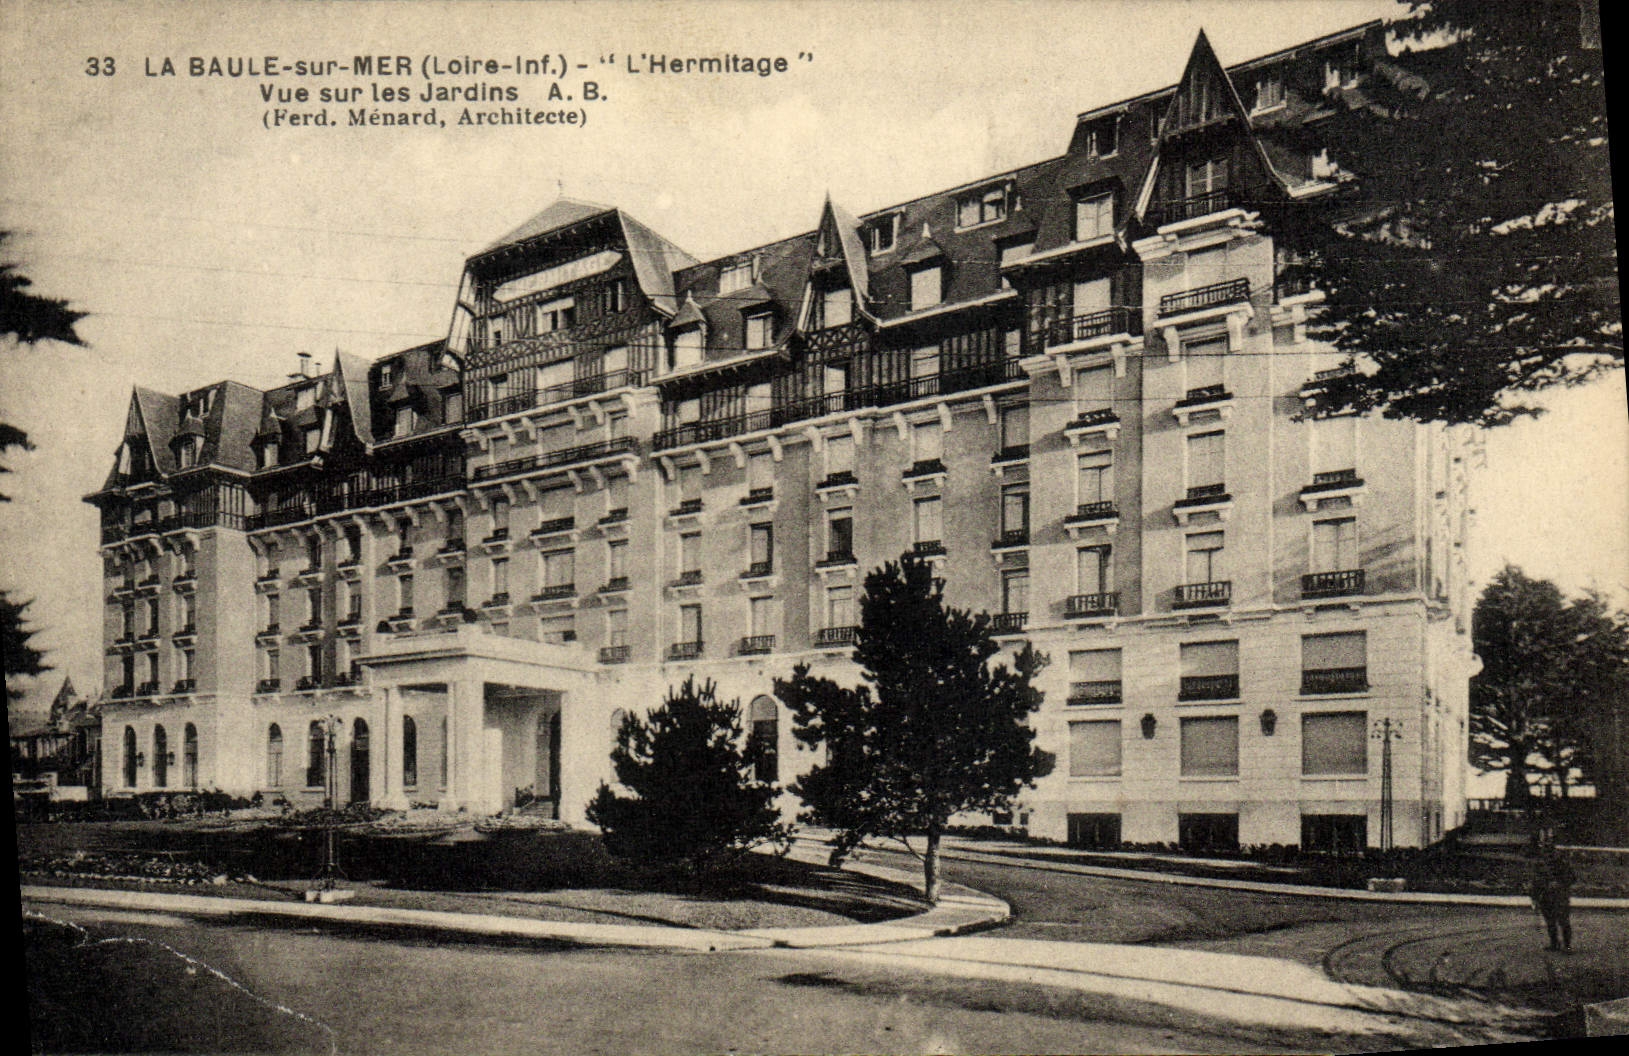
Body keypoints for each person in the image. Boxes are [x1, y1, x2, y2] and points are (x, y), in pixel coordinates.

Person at [1529, 840, 1576, 953]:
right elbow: (1535, 882)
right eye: (1545, 851)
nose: (1547, 854)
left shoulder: (1563, 864)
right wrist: (1534, 897)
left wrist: (1559, 883)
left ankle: (1567, 946)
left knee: (1563, 921)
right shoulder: (1540, 865)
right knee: (1550, 922)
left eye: (1549, 851)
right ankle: (1554, 944)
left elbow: (1572, 878)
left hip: (1560, 896)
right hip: (1545, 897)